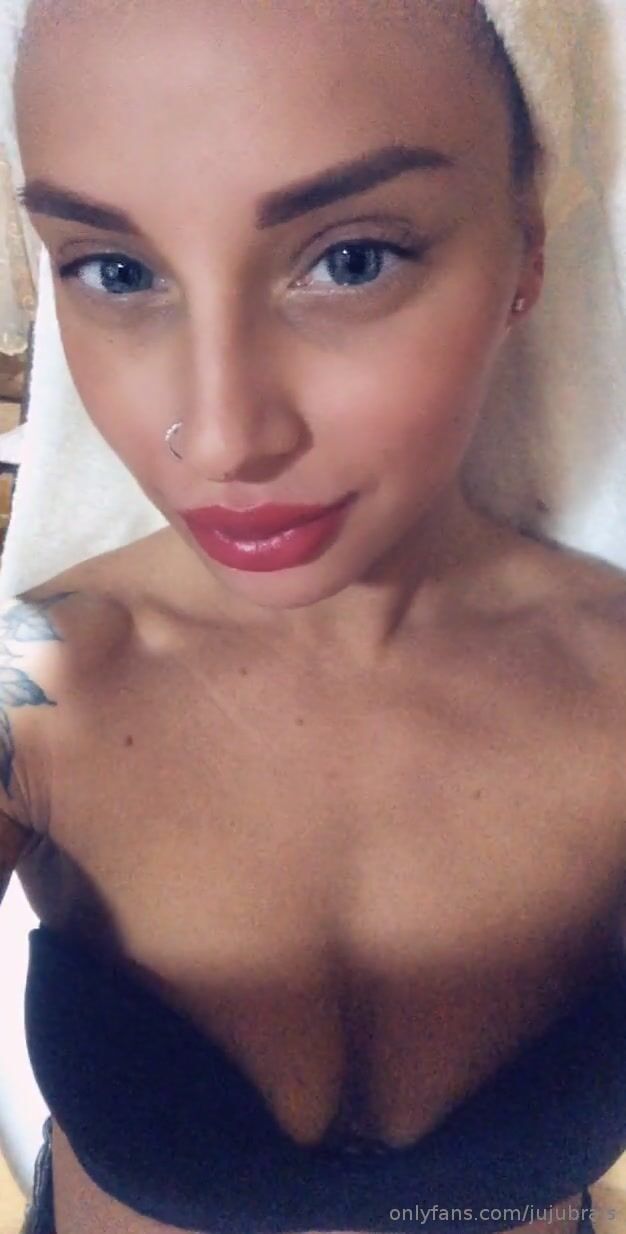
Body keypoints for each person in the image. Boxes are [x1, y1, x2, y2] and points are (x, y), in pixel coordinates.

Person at [1, 0, 625, 1231]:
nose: (220, 437)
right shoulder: (35, 680)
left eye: (351, 259)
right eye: (117, 271)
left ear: (523, 251)